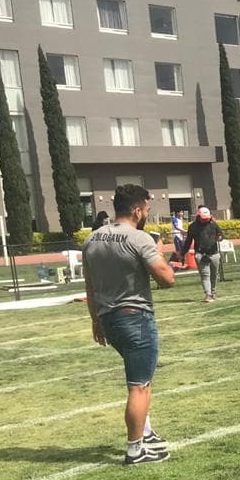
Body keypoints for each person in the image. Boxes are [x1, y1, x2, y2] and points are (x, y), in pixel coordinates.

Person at [82, 185, 176, 465]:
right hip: (135, 317)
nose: (147, 213)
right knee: (139, 386)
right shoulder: (139, 238)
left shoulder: (92, 239)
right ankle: (135, 448)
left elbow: (90, 287)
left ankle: (145, 432)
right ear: (137, 211)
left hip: (108, 318)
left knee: (140, 378)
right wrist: (159, 252)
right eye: (147, 209)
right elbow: (167, 279)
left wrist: (95, 319)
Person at [182, 206, 224, 302]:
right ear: (198, 216)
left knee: (214, 274)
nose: (206, 220)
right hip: (201, 254)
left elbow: (221, 234)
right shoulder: (192, 227)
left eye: (207, 218)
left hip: (214, 253)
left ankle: (213, 291)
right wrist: (183, 252)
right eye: (203, 219)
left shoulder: (213, 224)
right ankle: (208, 294)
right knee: (205, 275)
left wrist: (220, 237)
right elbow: (188, 241)